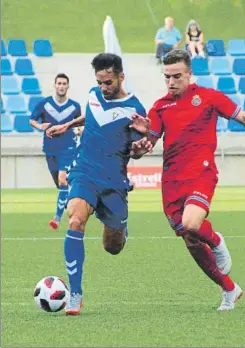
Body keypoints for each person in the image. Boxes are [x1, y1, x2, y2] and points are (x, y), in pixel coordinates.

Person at [130, 49, 245, 311]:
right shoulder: (159, 107)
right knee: (189, 238)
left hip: (201, 172)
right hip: (172, 181)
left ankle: (216, 241)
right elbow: (145, 148)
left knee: (192, 223)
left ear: (189, 74)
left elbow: (243, 117)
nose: (171, 82)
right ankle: (229, 289)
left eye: (176, 76)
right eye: (167, 77)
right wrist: (139, 143)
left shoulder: (208, 98)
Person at [46, 53, 147, 315]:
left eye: (108, 82)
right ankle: (75, 294)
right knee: (76, 219)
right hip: (85, 172)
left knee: (112, 247)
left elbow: (137, 148)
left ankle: (121, 230)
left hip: (114, 182)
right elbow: (90, 116)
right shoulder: (92, 94)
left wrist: (140, 145)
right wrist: (67, 125)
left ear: (121, 77)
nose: (103, 87)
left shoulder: (135, 109)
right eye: (100, 82)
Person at [29, 73, 81, 230]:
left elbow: (79, 123)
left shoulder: (75, 106)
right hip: (50, 150)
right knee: (61, 186)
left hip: (68, 148)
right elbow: (32, 120)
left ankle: (57, 219)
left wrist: (79, 130)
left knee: (63, 179)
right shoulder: (44, 104)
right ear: (55, 85)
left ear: (68, 86)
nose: (61, 86)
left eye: (64, 83)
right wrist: (40, 127)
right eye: (59, 83)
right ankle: (71, 203)